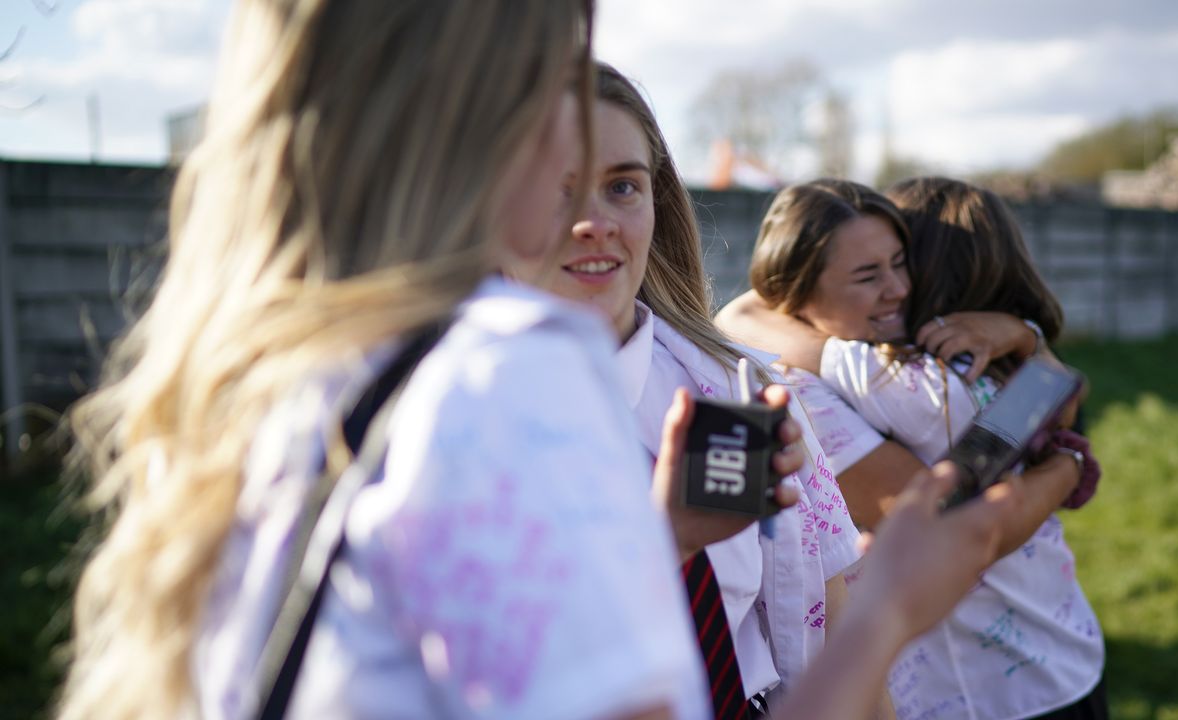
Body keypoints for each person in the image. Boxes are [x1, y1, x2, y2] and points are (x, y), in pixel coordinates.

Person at [55, 2, 1054, 719]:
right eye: (551, 80)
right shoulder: (498, 374)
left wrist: (657, 536)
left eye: (624, 182)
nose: (586, 202)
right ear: (475, 122)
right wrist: (885, 612)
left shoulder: (285, 373)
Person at [506, 62, 864, 714]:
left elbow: (839, 632)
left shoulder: (743, 392)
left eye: (622, 187)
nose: (594, 222)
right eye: (554, 190)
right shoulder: (432, 424)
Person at [719, 178, 1106, 719]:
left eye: (902, 263)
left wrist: (1024, 338)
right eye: (867, 273)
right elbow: (953, 520)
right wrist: (1068, 463)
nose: (899, 287)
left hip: (1024, 673)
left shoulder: (927, 365)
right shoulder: (896, 383)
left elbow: (740, 313)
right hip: (1007, 679)